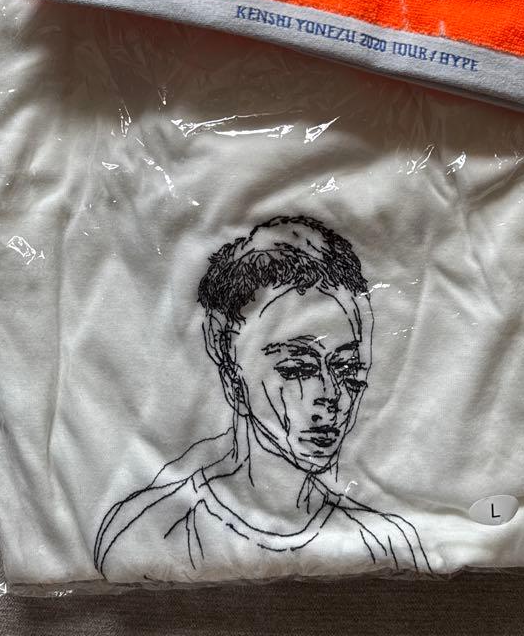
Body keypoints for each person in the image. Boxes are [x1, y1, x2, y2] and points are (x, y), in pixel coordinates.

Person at [93, 215, 430, 578]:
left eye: (347, 369)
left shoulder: (383, 542)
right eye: (297, 369)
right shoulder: (153, 532)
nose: (330, 396)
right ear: (232, 374)